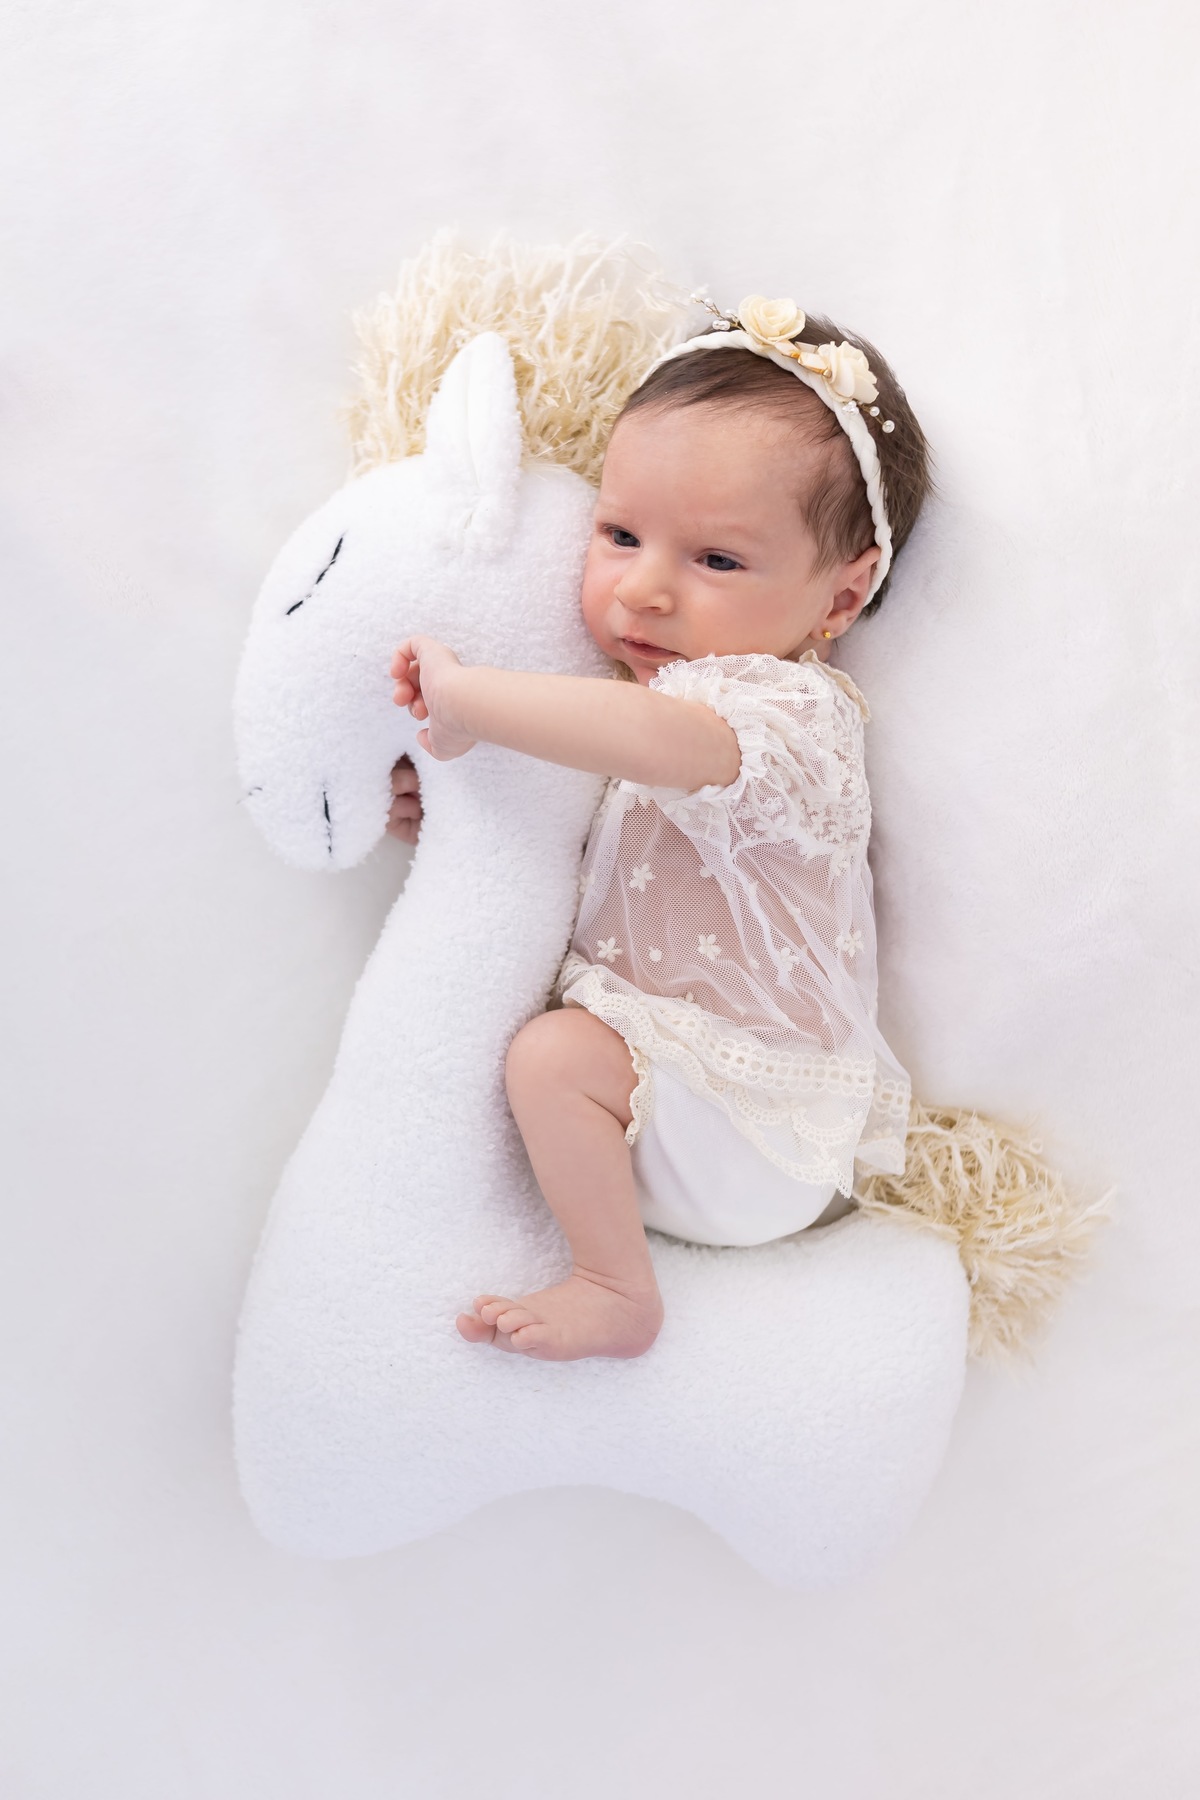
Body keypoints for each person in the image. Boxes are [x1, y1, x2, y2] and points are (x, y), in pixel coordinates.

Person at [388, 295, 932, 1362]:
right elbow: (580, 836)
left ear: (842, 593)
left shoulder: (788, 714)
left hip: (749, 1132)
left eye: (717, 562)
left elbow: (649, 739)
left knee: (551, 1059)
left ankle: (615, 1289)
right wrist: (450, 808)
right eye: (619, 534)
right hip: (661, 1099)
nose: (642, 590)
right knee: (546, 1057)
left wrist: (469, 697)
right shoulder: (660, 700)